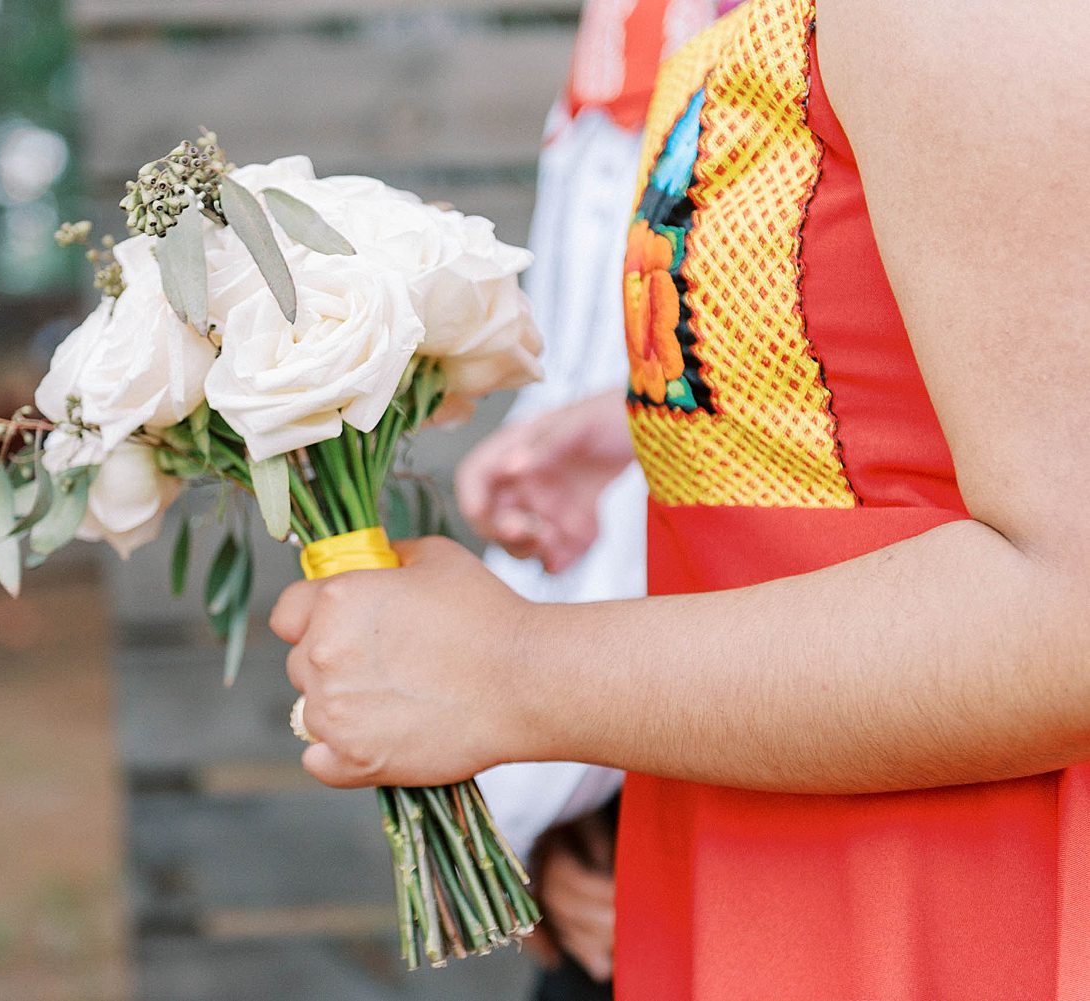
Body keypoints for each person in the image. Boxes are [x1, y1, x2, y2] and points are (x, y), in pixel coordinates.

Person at [273, 0, 1090, 996]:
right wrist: (656, 422)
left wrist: (512, 669)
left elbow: (1073, 609)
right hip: (775, 846)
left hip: (952, 895)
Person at [462, 0, 732, 993]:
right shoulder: (618, 65)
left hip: (786, 767)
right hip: (619, 780)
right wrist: (543, 816)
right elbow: (606, 353)